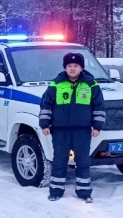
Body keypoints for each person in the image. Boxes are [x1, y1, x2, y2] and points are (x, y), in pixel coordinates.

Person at [39, 52, 106, 203]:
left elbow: (99, 106)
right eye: (69, 66)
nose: (72, 68)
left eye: (76, 66)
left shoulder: (91, 84)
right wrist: (45, 124)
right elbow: (45, 104)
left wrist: (97, 126)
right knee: (59, 160)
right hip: (60, 129)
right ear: (65, 67)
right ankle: (56, 190)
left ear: (81, 68)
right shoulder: (56, 84)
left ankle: (84, 192)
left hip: (82, 130)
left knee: (83, 161)